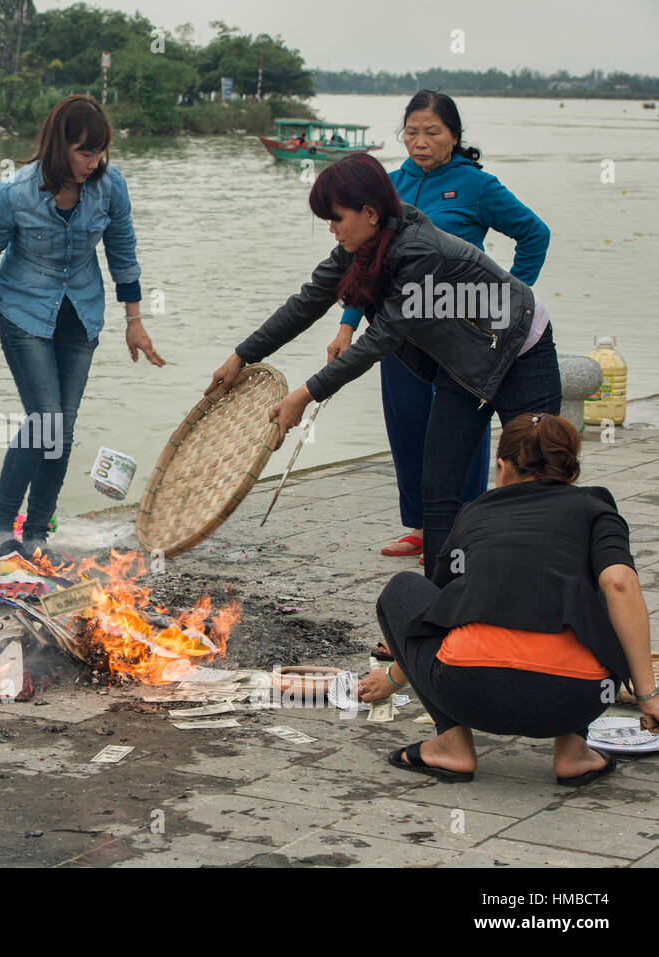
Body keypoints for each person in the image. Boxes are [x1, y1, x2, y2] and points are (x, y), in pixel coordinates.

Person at [205, 151, 560, 578]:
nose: (332, 230)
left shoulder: (420, 252)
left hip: (522, 349)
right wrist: (241, 356)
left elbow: (381, 338)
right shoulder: (360, 248)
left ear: (370, 212)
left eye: (336, 218)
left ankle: (541, 590)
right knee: (440, 487)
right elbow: (305, 304)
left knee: (538, 475)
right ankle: (440, 607)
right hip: (462, 366)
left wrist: (305, 394)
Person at [359, 413, 659, 786]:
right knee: (595, 587)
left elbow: (431, 617)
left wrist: (392, 679)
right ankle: (573, 753)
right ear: (571, 471)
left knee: (404, 587)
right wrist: (648, 698)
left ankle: (452, 744)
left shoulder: (474, 512)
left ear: (501, 468)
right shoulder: (596, 507)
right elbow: (619, 584)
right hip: (575, 699)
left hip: (467, 690)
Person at [329, 91, 550, 573]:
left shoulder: (477, 186)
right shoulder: (388, 187)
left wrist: (509, 303)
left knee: (457, 431)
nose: (420, 141)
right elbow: (361, 263)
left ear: (454, 136)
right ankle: (422, 526)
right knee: (408, 426)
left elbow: (536, 234)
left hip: (460, 338)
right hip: (397, 334)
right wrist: (346, 325)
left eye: (432, 132)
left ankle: (467, 523)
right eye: (411, 131)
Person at [0, 94, 165, 562]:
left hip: (82, 313)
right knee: (45, 419)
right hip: (23, 311)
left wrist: (135, 321)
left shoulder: (110, 187)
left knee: (64, 427)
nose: (92, 164)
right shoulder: (13, 192)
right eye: (83, 153)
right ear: (60, 145)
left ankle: (36, 531)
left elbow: (123, 252)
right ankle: (0, 523)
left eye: (99, 153)